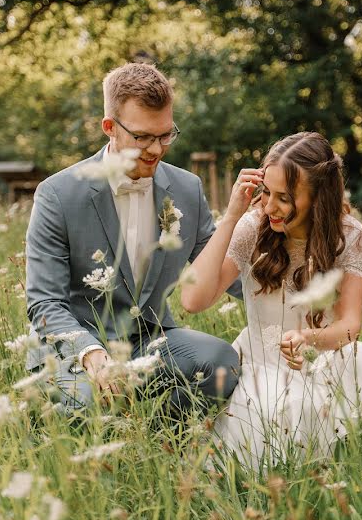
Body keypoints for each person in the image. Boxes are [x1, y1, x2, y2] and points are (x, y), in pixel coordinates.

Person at [25, 62, 242, 418]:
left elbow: (221, 269)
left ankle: (164, 447)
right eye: (142, 137)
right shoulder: (57, 195)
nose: (156, 149)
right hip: (75, 353)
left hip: (148, 340)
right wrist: (92, 354)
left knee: (221, 363)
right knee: (88, 404)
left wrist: (296, 300)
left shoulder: (187, 188)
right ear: (110, 128)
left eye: (165, 135)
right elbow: (44, 304)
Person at [180, 131, 362, 470]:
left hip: (320, 358)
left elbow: (350, 325)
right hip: (262, 366)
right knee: (287, 404)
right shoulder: (253, 226)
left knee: (361, 358)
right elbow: (192, 300)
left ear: (319, 198)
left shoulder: (348, 235)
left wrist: (309, 339)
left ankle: (345, 470)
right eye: (266, 193)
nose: (270, 206)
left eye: (284, 198)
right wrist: (230, 218)